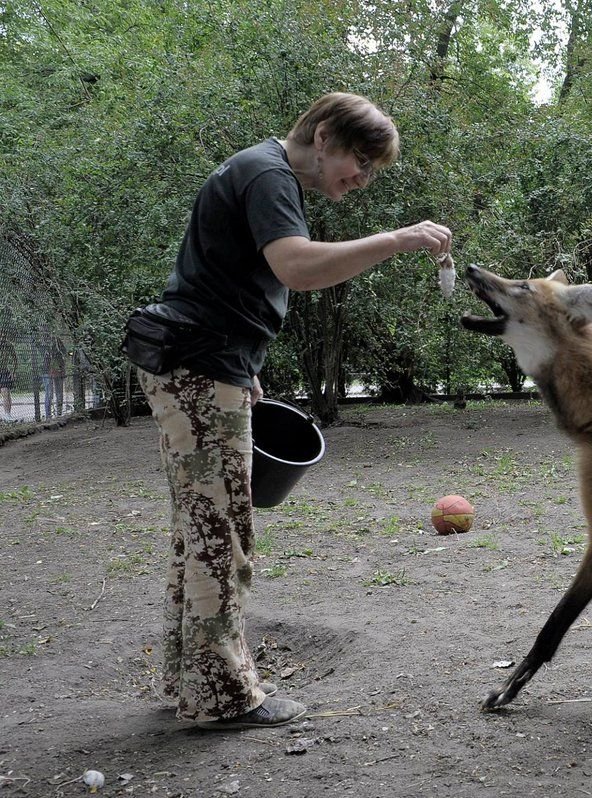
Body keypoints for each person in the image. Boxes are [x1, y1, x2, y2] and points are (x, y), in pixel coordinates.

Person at [135, 92, 453, 731]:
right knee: (221, 535)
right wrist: (396, 239)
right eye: (359, 161)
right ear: (325, 135)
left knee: (200, 527)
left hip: (201, 361)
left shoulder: (256, 171)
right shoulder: (271, 174)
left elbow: (220, 275)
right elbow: (296, 267)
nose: (360, 179)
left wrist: (245, 364)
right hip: (197, 366)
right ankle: (223, 698)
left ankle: (188, 679)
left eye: (370, 171)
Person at [0, 327, 18, 423]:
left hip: (3, 371)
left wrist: (13, 371)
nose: (2, 336)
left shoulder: (8, 344)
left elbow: (15, 359)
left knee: (6, 392)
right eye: (1, 334)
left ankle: (7, 415)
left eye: (4, 334)